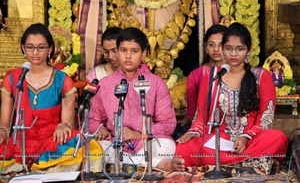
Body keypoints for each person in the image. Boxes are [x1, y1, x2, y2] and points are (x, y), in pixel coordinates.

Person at [175, 23, 288, 174]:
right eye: (228, 48)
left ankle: (224, 163)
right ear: (222, 50)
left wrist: (245, 137)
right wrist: (194, 132)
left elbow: (266, 119)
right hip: (219, 140)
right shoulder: (212, 78)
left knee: (277, 137)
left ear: (248, 50)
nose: (233, 54)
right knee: (184, 147)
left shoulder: (261, 76)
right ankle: (248, 163)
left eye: (239, 49)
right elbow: (201, 117)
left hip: (251, 140)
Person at [0, 23, 102, 172]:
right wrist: (2, 131)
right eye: (30, 47)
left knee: (88, 149)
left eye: (41, 47)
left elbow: (68, 124)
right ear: (23, 48)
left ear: (50, 49)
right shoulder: (13, 79)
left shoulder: (62, 80)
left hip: (51, 141)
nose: (35, 52)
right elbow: (4, 122)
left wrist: (64, 126)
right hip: (19, 143)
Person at [89, 27, 184, 172]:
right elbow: (93, 119)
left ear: (143, 54)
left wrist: (139, 134)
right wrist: (100, 129)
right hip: (116, 142)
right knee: (95, 149)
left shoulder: (156, 83)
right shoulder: (106, 84)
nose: (128, 56)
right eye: (123, 50)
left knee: (166, 146)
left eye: (134, 51)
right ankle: (155, 164)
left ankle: (127, 165)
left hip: (147, 141)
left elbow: (168, 124)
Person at [179, 24, 227, 128]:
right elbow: (192, 112)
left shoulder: (235, 72)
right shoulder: (195, 75)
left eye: (221, 45)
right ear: (205, 47)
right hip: (203, 126)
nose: (216, 49)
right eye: (211, 44)